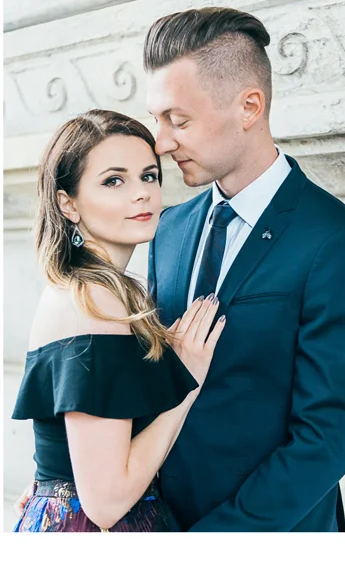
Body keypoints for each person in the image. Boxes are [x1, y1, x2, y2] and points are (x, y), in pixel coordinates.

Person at [144, 7, 345, 531]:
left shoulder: (342, 243)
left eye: (178, 120)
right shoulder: (166, 229)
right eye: (157, 121)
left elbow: (325, 440)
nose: (161, 143)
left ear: (249, 107)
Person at [11, 110, 226, 532]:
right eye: (114, 180)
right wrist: (188, 382)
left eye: (148, 176)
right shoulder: (96, 300)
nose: (141, 193)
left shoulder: (94, 289)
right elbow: (106, 503)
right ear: (66, 203)